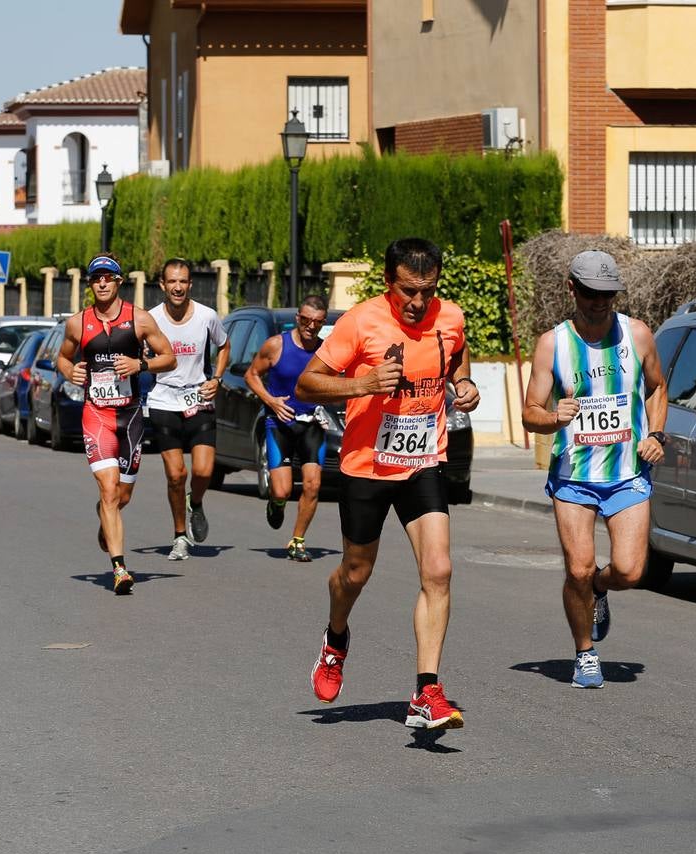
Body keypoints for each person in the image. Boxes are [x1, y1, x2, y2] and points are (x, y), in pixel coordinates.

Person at [297, 237, 480, 731]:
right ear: (388, 283)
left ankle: (427, 691)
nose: (418, 302)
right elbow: (307, 383)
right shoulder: (360, 321)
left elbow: (457, 352)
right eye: (407, 291)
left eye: (427, 290)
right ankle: (336, 639)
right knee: (354, 574)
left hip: (422, 462)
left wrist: (463, 384)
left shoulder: (451, 316)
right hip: (366, 465)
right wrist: (362, 384)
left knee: (439, 571)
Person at [521, 250, 668, 689]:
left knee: (629, 571)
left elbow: (658, 388)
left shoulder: (637, 334)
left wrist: (656, 436)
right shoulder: (554, 343)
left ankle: (600, 591)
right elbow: (530, 411)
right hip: (573, 477)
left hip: (626, 473)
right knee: (578, 569)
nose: (599, 302)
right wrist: (553, 417)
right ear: (572, 290)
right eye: (590, 293)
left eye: (607, 294)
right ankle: (585, 652)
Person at [57, 254, 176, 595]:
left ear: (119, 281)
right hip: (96, 415)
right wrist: (71, 371)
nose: (102, 283)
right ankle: (120, 568)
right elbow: (63, 357)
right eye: (96, 279)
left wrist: (139, 364)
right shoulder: (78, 323)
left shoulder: (139, 320)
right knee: (108, 491)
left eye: (108, 277)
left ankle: (106, 521)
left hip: (130, 417)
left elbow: (169, 357)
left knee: (121, 496)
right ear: (91, 284)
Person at [146, 259, 229, 560]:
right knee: (176, 475)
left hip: (199, 399)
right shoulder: (151, 318)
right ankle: (180, 536)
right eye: (172, 282)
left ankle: (197, 502)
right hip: (164, 401)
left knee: (204, 471)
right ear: (162, 285)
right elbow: (137, 348)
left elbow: (225, 346)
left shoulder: (207, 316)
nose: (178, 287)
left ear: (190, 284)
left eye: (183, 281)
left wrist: (217, 379)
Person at [244, 294, 330, 562]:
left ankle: (297, 540)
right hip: (280, 424)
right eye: (305, 320)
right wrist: (271, 401)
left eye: (316, 322)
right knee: (281, 489)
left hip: (312, 424)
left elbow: (338, 381)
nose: (310, 326)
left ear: (322, 322)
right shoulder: (276, 345)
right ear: (298, 319)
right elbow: (251, 375)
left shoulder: (326, 351)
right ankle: (276, 502)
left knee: (313, 485)